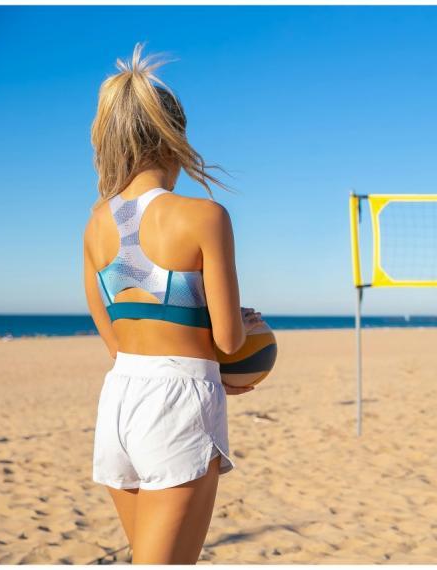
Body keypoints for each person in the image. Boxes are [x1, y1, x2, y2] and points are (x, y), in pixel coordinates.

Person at [83, 43, 262, 564]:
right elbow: (229, 340)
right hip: (178, 399)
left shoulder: (96, 225)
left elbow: (116, 342)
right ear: (175, 137)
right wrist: (248, 328)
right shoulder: (204, 215)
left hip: (119, 399)